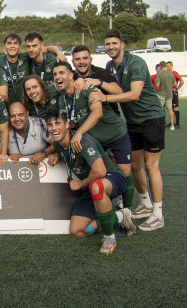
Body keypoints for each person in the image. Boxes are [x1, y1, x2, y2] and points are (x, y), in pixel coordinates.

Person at [89, 29, 166, 231]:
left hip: (151, 118)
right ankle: (145, 203)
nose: (111, 47)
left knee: (151, 166)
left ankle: (158, 214)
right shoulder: (109, 65)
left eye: (114, 43)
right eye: (107, 44)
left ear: (122, 44)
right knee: (134, 166)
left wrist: (104, 97)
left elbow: (134, 95)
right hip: (131, 122)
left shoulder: (136, 63)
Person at [46, 111, 136, 255]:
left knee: (97, 186)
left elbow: (100, 171)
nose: (54, 128)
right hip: (92, 185)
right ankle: (120, 216)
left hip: (111, 177)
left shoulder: (82, 140)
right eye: (50, 125)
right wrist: (55, 156)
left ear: (67, 125)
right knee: (77, 231)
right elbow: (65, 152)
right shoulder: (58, 145)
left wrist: (80, 185)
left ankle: (109, 238)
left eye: (58, 123)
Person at [50, 62, 134, 191]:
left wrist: (79, 133)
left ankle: (127, 207)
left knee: (125, 172)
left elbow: (97, 113)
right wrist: (58, 152)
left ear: (71, 75)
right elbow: (67, 125)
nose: (57, 76)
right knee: (103, 173)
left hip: (114, 133)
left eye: (61, 73)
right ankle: (113, 203)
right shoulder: (62, 100)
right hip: (96, 139)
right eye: (55, 74)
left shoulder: (86, 87)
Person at [70, 45, 122, 115]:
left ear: (91, 60)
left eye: (85, 58)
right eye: (77, 59)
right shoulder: (73, 77)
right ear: (73, 62)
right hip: (87, 119)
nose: (81, 62)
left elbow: (120, 92)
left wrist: (100, 82)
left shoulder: (100, 73)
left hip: (108, 120)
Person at [155, 61, 176, 130]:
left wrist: (156, 91)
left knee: (160, 109)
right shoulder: (171, 74)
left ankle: (159, 125)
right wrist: (170, 86)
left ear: (160, 66)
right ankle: (172, 125)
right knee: (170, 109)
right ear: (165, 66)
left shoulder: (159, 74)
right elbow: (175, 84)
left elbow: (157, 85)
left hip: (161, 94)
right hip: (169, 94)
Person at [166, 61, 183, 128]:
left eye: (167, 65)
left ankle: (177, 124)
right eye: (166, 66)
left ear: (171, 66)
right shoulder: (167, 73)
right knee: (171, 108)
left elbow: (182, 81)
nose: (167, 67)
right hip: (168, 92)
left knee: (175, 108)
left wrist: (177, 88)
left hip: (173, 92)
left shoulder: (175, 73)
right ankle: (172, 122)